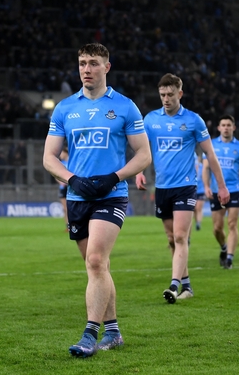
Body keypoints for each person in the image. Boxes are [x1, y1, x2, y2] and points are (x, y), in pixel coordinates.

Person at [43, 43, 152, 358]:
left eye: (93, 63)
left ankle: (89, 335)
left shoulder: (125, 106)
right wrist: (72, 179)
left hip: (111, 194)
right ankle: (114, 332)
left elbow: (144, 154)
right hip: (77, 196)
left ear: (107, 67)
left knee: (95, 261)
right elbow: (49, 158)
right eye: (81, 63)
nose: (86, 69)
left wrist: (114, 177)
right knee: (97, 268)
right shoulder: (65, 108)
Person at [135, 73, 229, 303]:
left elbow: (210, 154)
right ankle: (186, 286)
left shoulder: (194, 120)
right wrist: (138, 171)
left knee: (180, 236)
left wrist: (222, 186)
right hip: (163, 187)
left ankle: (174, 285)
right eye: (162, 95)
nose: (166, 99)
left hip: (186, 186)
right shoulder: (150, 120)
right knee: (170, 238)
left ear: (180, 93)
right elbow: (142, 150)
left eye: (170, 94)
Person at [203, 115, 239, 269]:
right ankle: (224, 247)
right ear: (219, 128)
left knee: (232, 224)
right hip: (217, 190)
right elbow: (205, 168)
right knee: (217, 228)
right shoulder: (211, 145)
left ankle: (230, 258)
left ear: (233, 127)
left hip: (234, 190)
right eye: (223, 125)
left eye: (228, 125)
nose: (226, 128)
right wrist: (206, 186)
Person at [58, 147, 70, 231]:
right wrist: (61, 182)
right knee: (64, 208)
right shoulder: (60, 163)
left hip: (70, 187)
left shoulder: (71, 163)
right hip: (63, 187)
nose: (60, 155)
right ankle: (67, 225)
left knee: (71, 208)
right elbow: (57, 174)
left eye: (61, 153)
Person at [193, 153, 206, 231]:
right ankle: (196, 221)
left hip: (201, 190)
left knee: (199, 207)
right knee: (194, 208)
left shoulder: (202, 167)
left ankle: (198, 223)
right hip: (193, 190)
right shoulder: (191, 167)